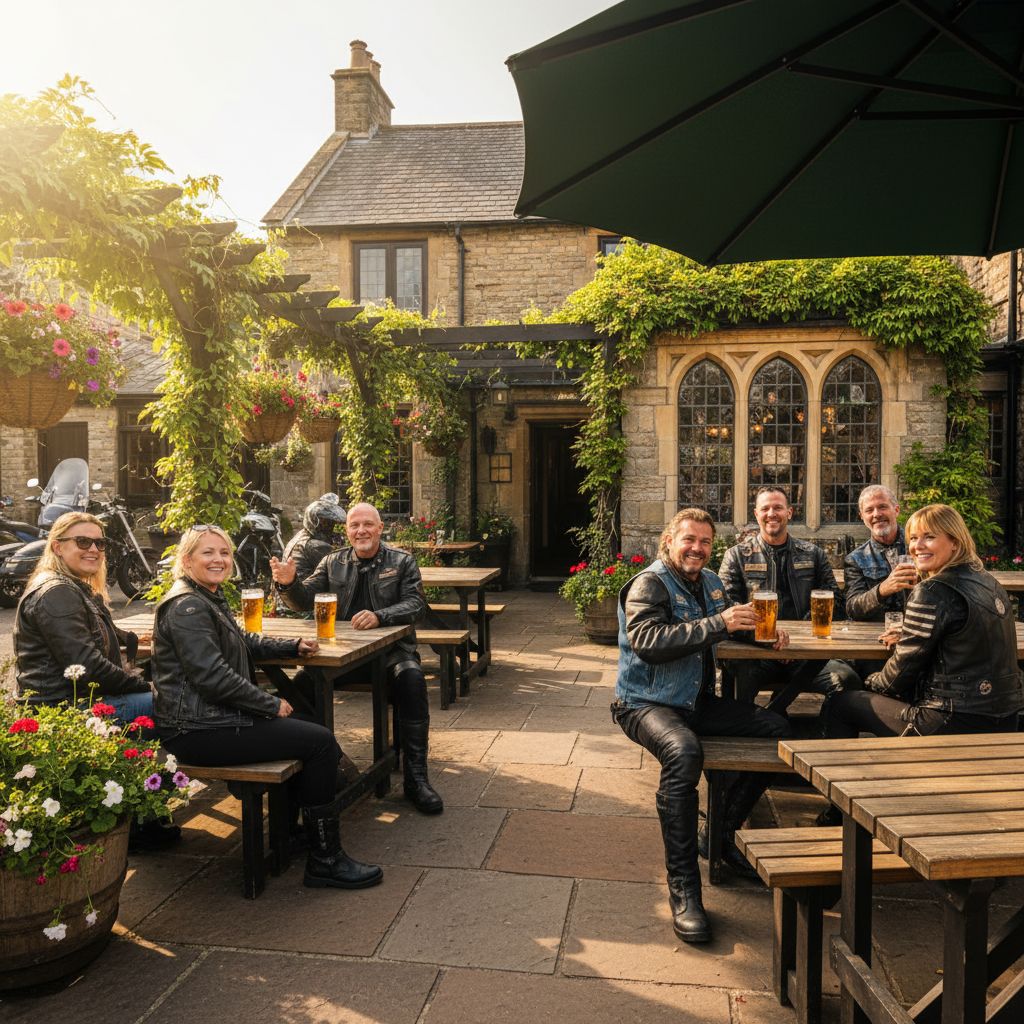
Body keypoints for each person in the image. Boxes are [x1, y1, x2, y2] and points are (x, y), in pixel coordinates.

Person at [152, 524, 382, 890]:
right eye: (207, 553)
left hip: (208, 721)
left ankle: (289, 832)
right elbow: (211, 677)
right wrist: (269, 703)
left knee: (307, 724)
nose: (219, 560)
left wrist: (290, 647)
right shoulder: (188, 607)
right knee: (319, 742)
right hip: (195, 730)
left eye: (224, 552)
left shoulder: (204, 596)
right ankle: (325, 859)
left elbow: (242, 641)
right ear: (186, 559)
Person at [613, 507, 791, 945]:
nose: (697, 548)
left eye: (706, 542)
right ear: (669, 541)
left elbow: (730, 624)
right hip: (644, 703)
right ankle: (685, 891)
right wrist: (719, 623)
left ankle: (720, 833)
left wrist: (764, 632)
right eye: (689, 540)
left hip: (694, 701)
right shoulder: (649, 584)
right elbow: (649, 642)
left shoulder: (710, 582)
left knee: (777, 729)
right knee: (684, 752)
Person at [271, 502, 444, 815]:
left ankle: (416, 778)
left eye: (368, 524)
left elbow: (416, 606)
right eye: (354, 525)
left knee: (413, 679)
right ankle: (319, 769)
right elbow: (303, 600)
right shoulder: (331, 561)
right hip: (344, 658)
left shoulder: (402, 561)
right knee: (298, 688)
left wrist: (381, 616)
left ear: (380, 529)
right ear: (347, 531)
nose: (361, 530)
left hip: (391, 655)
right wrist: (288, 583)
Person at [826, 503, 1023, 741]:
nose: (917, 546)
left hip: (952, 720)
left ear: (955, 542)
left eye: (929, 537)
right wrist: (910, 632)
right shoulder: (989, 582)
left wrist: (869, 681)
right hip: (1006, 719)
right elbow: (962, 638)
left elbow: (897, 678)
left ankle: (844, 774)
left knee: (841, 704)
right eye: (913, 538)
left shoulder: (931, 589)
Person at [718, 486, 860, 713]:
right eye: (765, 508)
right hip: (756, 653)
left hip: (807, 653)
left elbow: (837, 603)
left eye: (778, 508)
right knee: (737, 677)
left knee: (846, 679)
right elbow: (727, 606)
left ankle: (824, 732)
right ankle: (754, 727)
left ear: (790, 513)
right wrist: (767, 637)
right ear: (756, 514)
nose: (771, 513)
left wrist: (797, 638)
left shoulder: (813, 554)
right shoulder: (736, 555)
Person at [14, 511, 153, 720]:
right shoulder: (56, 592)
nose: (94, 549)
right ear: (57, 547)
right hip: (63, 711)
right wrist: (144, 686)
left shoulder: (71, 587)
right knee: (179, 704)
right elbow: (88, 667)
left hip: (74, 701)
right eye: (83, 542)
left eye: (100, 543)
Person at [844, 485, 916, 622]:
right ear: (862, 517)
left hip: (918, 631)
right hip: (873, 635)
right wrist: (882, 589)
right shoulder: (855, 559)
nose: (876, 514)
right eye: (869, 510)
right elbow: (852, 609)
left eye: (882, 507)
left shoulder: (918, 547)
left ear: (896, 510)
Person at [283, 495, 347, 587]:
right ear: (316, 522)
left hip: (291, 593)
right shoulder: (316, 546)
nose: (330, 527)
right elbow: (341, 573)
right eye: (327, 523)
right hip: (304, 595)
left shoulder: (300, 536)